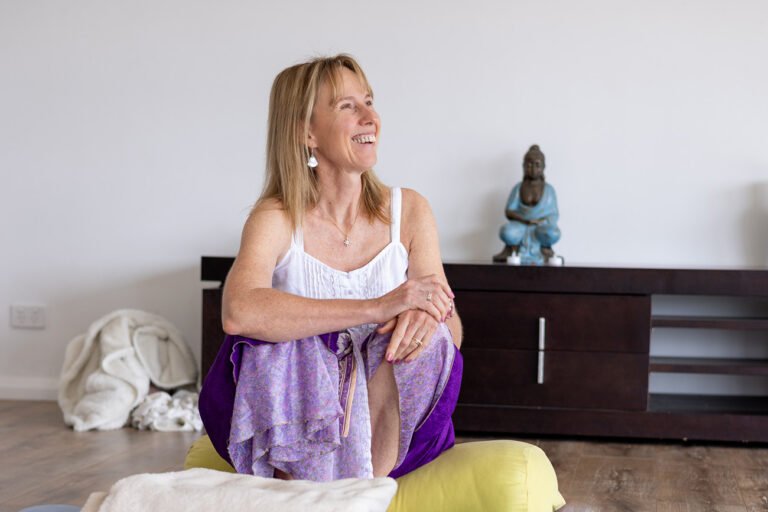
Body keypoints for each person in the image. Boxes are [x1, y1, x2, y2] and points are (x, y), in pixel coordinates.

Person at [199, 54, 463, 482]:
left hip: (390, 429)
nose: (370, 117)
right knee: (280, 341)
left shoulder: (410, 209)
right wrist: (377, 307)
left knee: (430, 336)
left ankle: (359, 489)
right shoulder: (277, 216)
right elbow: (238, 313)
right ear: (307, 132)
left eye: (369, 101)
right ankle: (317, 485)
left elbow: (453, 334)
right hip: (301, 428)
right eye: (347, 106)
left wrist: (424, 315)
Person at [493, 144, 561, 265]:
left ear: (543, 167)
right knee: (506, 231)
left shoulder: (549, 190)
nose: (533, 169)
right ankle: (513, 249)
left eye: (537, 165)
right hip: (521, 226)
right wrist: (525, 220)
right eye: (529, 164)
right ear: (523, 166)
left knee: (554, 233)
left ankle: (544, 249)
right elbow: (509, 211)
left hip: (541, 228)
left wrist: (540, 221)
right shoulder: (519, 188)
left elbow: (554, 215)